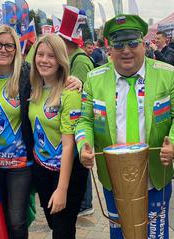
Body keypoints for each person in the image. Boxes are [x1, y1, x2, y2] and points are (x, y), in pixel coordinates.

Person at [75, 14, 174, 239]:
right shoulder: (94, 78)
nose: (126, 50)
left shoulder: (167, 74)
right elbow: (84, 121)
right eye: (118, 44)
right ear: (109, 48)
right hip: (113, 180)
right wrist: (84, 145)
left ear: (143, 44)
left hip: (155, 177)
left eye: (132, 43)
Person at [0, 26, 82, 239]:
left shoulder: (26, 77)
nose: (3, 49)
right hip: (9, 165)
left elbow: (69, 142)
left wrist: (78, 80)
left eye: (9, 45)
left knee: (31, 223)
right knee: (49, 228)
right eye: (40, 55)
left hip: (28, 165)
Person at [29, 34, 87, 239]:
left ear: (61, 59)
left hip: (68, 175)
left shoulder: (70, 92)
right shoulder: (33, 88)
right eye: (40, 55)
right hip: (42, 171)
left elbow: (68, 146)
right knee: (56, 229)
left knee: (63, 236)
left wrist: (62, 188)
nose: (44, 60)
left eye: (51, 55)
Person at [57, 5, 94, 217]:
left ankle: (85, 202)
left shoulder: (79, 60)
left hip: (79, 120)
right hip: (72, 120)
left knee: (82, 158)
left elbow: (82, 90)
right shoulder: (73, 58)